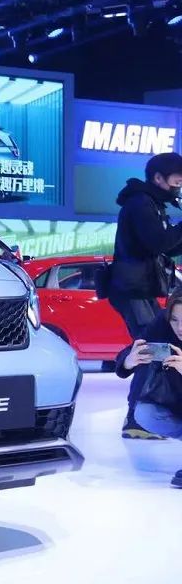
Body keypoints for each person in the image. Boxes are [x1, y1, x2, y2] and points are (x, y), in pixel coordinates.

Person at [108, 152, 182, 439]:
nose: (178, 188)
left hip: (141, 289)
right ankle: (135, 419)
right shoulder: (140, 203)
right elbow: (158, 242)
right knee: (148, 350)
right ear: (158, 178)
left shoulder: (150, 203)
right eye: (176, 182)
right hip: (133, 290)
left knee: (152, 349)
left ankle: (144, 414)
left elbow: (166, 246)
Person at [115, 288, 182, 488]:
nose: (180, 327)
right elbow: (135, 348)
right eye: (175, 320)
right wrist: (129, 361)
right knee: (146, 414)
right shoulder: (162, 323)